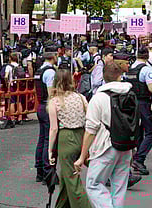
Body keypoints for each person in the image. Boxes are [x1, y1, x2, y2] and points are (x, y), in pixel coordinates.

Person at [74, 62, 133, 208]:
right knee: (119, 187)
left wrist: (82, 156)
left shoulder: (99, 98)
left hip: (105, 146)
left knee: (93, 184)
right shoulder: (131, 94)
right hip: (126, 145)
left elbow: (90, 130)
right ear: (120, 76)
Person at [47, 69, 92, 208]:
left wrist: (50, 150)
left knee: (71, 179)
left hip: (66, 137)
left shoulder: (55, 101)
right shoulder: (80, 97)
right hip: (81, 135)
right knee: (66, 177)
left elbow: (54, 128)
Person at [126, 46, 152, 175]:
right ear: (147, 56)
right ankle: (139, 159)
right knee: (151, 132)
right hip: (144, 103)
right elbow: (151, 88)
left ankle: (138, 159)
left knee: (138, 132)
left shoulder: (131, 68)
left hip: (132, 102)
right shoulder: (146, 69)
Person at [34, 46, 57, 184]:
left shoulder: (39, 70)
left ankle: (40, 170)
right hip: (47, 106)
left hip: (40, 106)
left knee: (42, 139)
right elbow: (51, 93)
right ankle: (48, 172)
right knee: (49, 140)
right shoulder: (50, 72)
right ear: (53, 56)